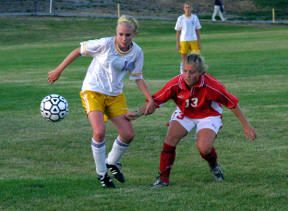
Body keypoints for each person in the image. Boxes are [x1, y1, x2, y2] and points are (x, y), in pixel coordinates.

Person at [48, 15, 155, 188]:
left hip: (115, 95)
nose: (123, 38)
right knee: (99, 131)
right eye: (120, 34)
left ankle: (111, 162)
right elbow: (78, 51)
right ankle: (102, 174)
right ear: (116, 33)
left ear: (134, 34)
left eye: (127, 35)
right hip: (93, 90)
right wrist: (59, 70)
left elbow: (138, 77)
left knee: (128, 134)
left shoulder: (137, 52)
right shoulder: (105, 43)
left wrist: (150, 99)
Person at [125, 54, 257, 188]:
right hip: (185, 113)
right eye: (185, 71)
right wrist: (138, 113)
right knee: (170, 139)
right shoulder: (176, 83)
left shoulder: (213, 86)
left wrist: (246, 126)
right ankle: (163, 179)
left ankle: (214, 165)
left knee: (204, 148)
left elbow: (232, 103)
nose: (187, 75)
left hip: (208, 115)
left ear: (201, 73)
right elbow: (156, 101)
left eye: (192, 72)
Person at [175, 2, 202, 74]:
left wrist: (199, 42)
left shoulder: (195, 17)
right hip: (184, 40)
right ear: (184, 9)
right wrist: (178, 43)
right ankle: (182, 71)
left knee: (196, 57)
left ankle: (196, 71)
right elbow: (178, 31)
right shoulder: (180, 18)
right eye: (186, 7)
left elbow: (197, 30)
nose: (188, 9)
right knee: (184, 57)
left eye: (189, 7)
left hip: (193, 39)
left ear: (191, 8)